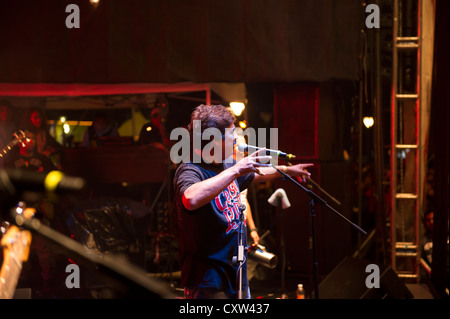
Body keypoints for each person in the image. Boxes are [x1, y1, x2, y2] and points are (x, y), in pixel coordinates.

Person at [173, 104, 312, 299]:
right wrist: (237, 169)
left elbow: (256, 173)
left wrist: (288, 170)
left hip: (235, 272)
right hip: (207, 277)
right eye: (232, 134)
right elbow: (191, 198)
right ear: (214, 140)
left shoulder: (225, 164)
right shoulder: (190, 169)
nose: (236, 139)